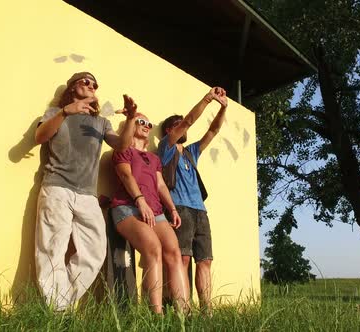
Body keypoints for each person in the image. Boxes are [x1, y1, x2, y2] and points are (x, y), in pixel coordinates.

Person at [34, 71, 137, 310]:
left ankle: (61, 302)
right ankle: (58, 313)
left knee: (95, 251)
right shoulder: (55, 113)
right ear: (72, 88)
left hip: (87, 194)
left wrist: (131, 119)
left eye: (95, 84)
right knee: (52, 250)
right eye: (86, 82)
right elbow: (40, 136)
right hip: (57, 187)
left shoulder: (101, 123)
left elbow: (121, 145)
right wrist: (64, 112)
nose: (91, 86)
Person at [110, 113, 189, 314]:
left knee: (174, 253)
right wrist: (140, 200)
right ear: (130, 126)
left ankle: (185, 313)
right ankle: (157, 315)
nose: (146, 126)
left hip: (156, 212)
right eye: (141, 121)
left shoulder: (154, 158)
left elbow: (161, 184)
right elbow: (125, 175)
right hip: (127, 207)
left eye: (148, 123)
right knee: (153, 248)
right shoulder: (123, 150)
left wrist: (171, 209)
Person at [157, 87, 227, 313]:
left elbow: (213, 131)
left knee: (205, 261)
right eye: (176, 123)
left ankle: (206, 311)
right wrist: (208, 99)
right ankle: (182, 311)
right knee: (183, 260)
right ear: (170, 130)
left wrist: (223, 107)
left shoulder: (191, 152)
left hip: (200, 211)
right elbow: (187, 121)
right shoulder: (165, 147)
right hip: (180, 209)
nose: (183, 125)